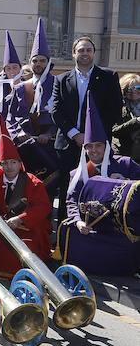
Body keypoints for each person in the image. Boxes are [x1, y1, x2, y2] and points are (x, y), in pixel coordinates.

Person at [58, 93, 140, 275]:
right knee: (68, 230)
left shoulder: (125, 164)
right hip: (91, 227)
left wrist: (127, 183)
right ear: (84, 149)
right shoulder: (78, 173)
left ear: (106, 146)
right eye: (89, 146)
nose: (94, 150)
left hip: (120, 228)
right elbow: (71, 201)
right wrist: (78, 222)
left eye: (98, 146)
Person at [52, 36, 123, 219]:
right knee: (66, 190)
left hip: (97, 147)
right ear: (74, 53)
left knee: (96, 188)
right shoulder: (61, 79)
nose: (85, 53)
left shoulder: (108, 76)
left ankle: (92, 231)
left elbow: (114, 110)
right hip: (68, 144)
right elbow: (56, 111)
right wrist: (76, 135)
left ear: (94, 53)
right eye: (81, 50)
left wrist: (92, 138)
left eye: (88, 50)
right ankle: (64, 232)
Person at [0, 124, 52, 278]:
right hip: (3, 225)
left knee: (26, 245)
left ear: (20, 164)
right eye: (5, 163)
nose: (9, 167)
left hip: (28, 227)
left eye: (13, 162)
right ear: (0, 165)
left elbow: (42, 207)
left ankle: (30, 274)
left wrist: (20, 219)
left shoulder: (33, 183)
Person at [6, 18, 58, 187]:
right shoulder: (21, 87)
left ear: (48, 62)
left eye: (42, 60)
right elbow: (10, 116)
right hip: (25, 145)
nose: (38, 64)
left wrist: (50, 133)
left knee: (49, 186)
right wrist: (18, 133)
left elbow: (63, 115)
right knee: (26, 186)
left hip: (48, 145)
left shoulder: (59, 84)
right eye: (35, 60)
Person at [0, 31, 22, 120]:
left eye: (15, 67)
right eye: (8, 68)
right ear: (4, 71)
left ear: (20, 69)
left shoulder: (27, 89)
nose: (12, 71)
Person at [112, 73, 140, 163]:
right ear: (123, 90)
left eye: (138, 88)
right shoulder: (118, 106)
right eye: (129, 89)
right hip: (124, 155)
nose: (134, 91)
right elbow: (114, 130)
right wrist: (137, 121)